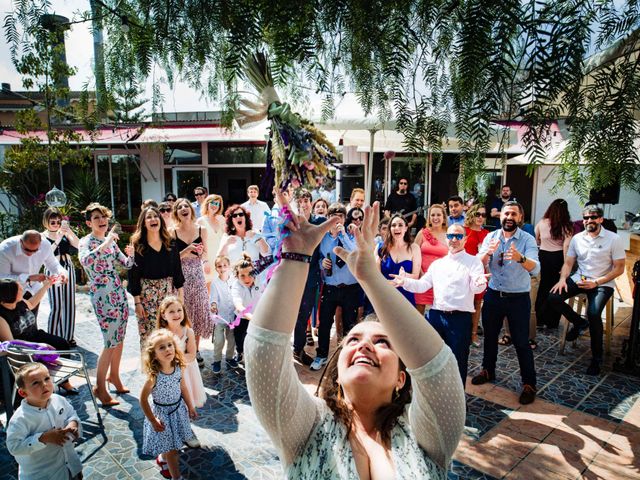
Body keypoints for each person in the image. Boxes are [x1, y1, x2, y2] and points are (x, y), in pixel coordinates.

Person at [244, 199, 465, 479]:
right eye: (352, 340)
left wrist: (370, 278)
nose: (364, 344)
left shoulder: (426, 432)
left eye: (383, 342)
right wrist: (296, 257)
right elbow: (263, 354)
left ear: (401, 377)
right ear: (337, 374)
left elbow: (439, 371)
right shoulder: (307, 425)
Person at [393, 224, 488, 385]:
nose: (454, 239)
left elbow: (476, 286)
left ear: (465, 239)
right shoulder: (438, 264)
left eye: (458, 236)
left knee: (458, 362)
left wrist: (480, 283)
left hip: (459, 319)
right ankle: (436, 397)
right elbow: (423, 285)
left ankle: (457, 403)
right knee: (432, 360)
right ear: (446, 239)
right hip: (436, 316)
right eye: (451, 236)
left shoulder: (473, 262)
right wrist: (405, 282)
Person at [472, 201, 540, 405]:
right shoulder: (491, 237)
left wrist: (520, 258)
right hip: (494, 294)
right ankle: (488, 370)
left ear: (520, 218)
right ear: (500, 216)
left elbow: (535, 269)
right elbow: (478, 264)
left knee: (521, 342)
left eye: (513, 214)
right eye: (506, 213)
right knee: (490, 337)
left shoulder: (527, 239)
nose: (509, 217)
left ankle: (529, 383)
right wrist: (486, 254)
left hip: (518, 298)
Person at [547, 205, 625, 375]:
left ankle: (596, 359)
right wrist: (562, 280)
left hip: (602, 282)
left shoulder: (614, 239)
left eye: (593, 217)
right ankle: (580, 323)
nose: (589, 220)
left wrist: (596, 282)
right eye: (586, 217)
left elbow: (619, 269)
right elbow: (568, 263)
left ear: (601, 219)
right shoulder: (577, 238)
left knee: (594, 313)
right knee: (553, 297)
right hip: (580, 278)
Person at [79, 202, 134, 406]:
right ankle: (100, 388)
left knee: (119, 339)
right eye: (96, 218)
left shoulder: (110, 241)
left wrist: (132, 252)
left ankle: (115, 377)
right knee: (110, 341)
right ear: (89, 223)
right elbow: (86, 261)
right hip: (102, 294)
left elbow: (126, 264)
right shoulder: (87, 241)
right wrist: (106, 242)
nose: (102, 221)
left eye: (104, 217)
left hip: (118, 291)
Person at [0, 279, 77, 394]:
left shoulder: (19, 302)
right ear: (10, 295)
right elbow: (11, 343)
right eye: (20, 289)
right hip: (22, 346)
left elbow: (32, 302)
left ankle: (63, 382)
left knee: (62, 343)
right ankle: (41, 386)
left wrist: (47, 285)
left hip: (35, 335)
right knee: (43, 355)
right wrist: (36, 346)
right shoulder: (1, 316)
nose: (23, 290)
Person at [6, 363, 82, 480]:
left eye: (46, 378)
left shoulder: (59, 400)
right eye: (36, 383)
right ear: (23, 393)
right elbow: (14, 447)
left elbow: (71, 414)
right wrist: (42, 438)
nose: (44, 385)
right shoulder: (20, 419)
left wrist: (73, 423)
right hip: (43, 474)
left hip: (70, 466)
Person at [140, 329, 197, 480]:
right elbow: (143, 399)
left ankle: (162, 459)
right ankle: (176, 477)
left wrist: (190, 406)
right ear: (154, 355)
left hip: (177, 411)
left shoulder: (178, 367)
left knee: (171, 444)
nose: (167, 349)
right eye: (161, 347)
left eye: (170, 345)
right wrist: (152, 420)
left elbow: (183, 387)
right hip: (162, 416)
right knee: (172, 450)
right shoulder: (154, 376)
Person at [311, 203, 360, 371]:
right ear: (329, 218)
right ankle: (322, 355)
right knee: (324, 323)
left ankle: (348, 356)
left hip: (350, 288)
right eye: (334, 217)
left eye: (341, 217)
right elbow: (317, 258)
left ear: (345, 219)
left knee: (350, 324)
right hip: (331, 286)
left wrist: (344, 235)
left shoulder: (352, 235)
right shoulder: (323, 237)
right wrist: (321, 263)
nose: (338, 220)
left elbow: (354, 254)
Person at [128, 206, 185, 347]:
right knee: (149, 337)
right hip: (146, 296)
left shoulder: (171, 242)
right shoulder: (137, 245)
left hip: (168, 293)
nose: (153, 219)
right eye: (149, 217)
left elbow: (178, 270)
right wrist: (137, 302)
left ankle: (170, 367)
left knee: (169, 333)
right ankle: (151, 368)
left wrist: (181, 298)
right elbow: (133, 275)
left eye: (156, 216)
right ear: (143, 223)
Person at [172, 198, 212, 367]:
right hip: (180, 275)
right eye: (179, 207)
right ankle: (181, 348)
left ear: (191, 210)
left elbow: (205, 254)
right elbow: (171, 258)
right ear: (176, 213)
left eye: (186, 206)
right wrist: (187, 250)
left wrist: (202, 255)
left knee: (197, 311)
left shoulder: (202, 229)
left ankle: (195, 349)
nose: (183, 209)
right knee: (183, 312)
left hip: (197, 274)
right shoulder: (171, 232)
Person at [290, 189, 325, 366]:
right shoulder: (291, 222)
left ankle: (298, 349)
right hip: (293, 275)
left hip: (311, 276)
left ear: (311, 202)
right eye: (300, 201)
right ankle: (291, 347)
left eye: (306, 200)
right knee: (289, 313)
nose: (303, 204)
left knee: (304, 313)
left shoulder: (320, 221)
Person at [0, 230, 68, 317]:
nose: (30, 253)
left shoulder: (45, 245)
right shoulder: (5, 249)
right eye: (27, 250)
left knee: (31, 323)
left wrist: (62, 272)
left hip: (34, 291)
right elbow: (2, 277)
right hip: (11, 295)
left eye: (35, 250)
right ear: (21, 241)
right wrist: (28, 278)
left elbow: (52, 263)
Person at [157, 296, 207, 410]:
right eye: (171, 311)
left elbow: (192, 354)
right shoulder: (161, 333)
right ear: (164, 315)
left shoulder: (188, 331)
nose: (176, 314)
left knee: (187, 396)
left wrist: (175, 361)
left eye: (179, 310)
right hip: (168, 370)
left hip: (186, 369)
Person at [41, 208, 79, 344]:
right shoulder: (42, 236)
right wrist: (57, 239)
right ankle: (52, 339)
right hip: (53, 269)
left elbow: (79, 245)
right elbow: (45, 255)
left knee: (69, 303)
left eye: (58, 221)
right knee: (56, 305)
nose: (56, 224)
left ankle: (68, 337)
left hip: (68, 266)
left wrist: (68, 231)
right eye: (53, 222)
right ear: (46, 222)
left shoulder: (63, 233)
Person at [534, 199, 573, 329]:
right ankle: (551, 321)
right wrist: (565, 266)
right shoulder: (566, 226)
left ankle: (538, 318)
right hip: (557, 258)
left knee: (542, 288)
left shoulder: (541, 222)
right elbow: (566, 247)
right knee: (556, 289)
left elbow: (536, 239)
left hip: (543, 256)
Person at [377, 213, 421, 306]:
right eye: (393, 225)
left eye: (400, 225)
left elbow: (416, 275)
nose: (397, 228)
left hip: (406, 296)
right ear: (390, 229)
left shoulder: (414, 248)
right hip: (385, 294)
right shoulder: (380, 247)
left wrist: (404, 276)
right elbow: (376, 274)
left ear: (406, 228)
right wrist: (387, 283)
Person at [230, 254, 265, 366]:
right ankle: (240, 352)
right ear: (237, 276)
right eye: (242, 275)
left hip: (257, 317)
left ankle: (254, 357)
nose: (247, 278)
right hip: (241, 318)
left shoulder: (260, 281)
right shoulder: (236, 286)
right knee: (240, 338)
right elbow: (238, 304)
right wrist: (250, 317)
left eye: (250, 274)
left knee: (256, 340)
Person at [413, 204, 448, 314]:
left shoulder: (449, 234)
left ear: (444, 218)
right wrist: (420, 273)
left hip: (441, 280)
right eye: (432, 215)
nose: (435, 218)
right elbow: (413, 253)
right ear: (429, 218)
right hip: (422, 277)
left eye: (438, 215)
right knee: (418, 313)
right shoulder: (422, 233)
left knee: (438, 312)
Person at [464, 204, 490, 347]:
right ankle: (463, 331)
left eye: (483, 215)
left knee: (477, 303)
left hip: (480, 271)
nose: (480, 217)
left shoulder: (487, 233)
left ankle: (473, 334)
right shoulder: (464, 231)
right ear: (472, 215)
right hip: (465, 270)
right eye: (478, 214)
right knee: (465, 302)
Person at [209, 255, 236, 373]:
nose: (222, 268)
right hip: (220, 318)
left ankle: (230, 358)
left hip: (232, 317)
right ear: (216, 268)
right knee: (219, 340)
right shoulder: (215, 283)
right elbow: (213, 298)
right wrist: (213, 305)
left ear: (229, 266)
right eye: (219, 266)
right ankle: (217, 361)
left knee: (232, 339)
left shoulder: (234, 280)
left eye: (225, 265)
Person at [197, 194, 226, 288]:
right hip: (207, 259)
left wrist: (223, 223)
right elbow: (198, 244)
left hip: (220, 259)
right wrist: (205, 261)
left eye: (217, 204)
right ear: (207, 204)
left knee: (222, 289)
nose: (215, 205)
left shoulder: (221, 219)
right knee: (208, 289)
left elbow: (228, 237)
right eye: (212, 203)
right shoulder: (200, 221)